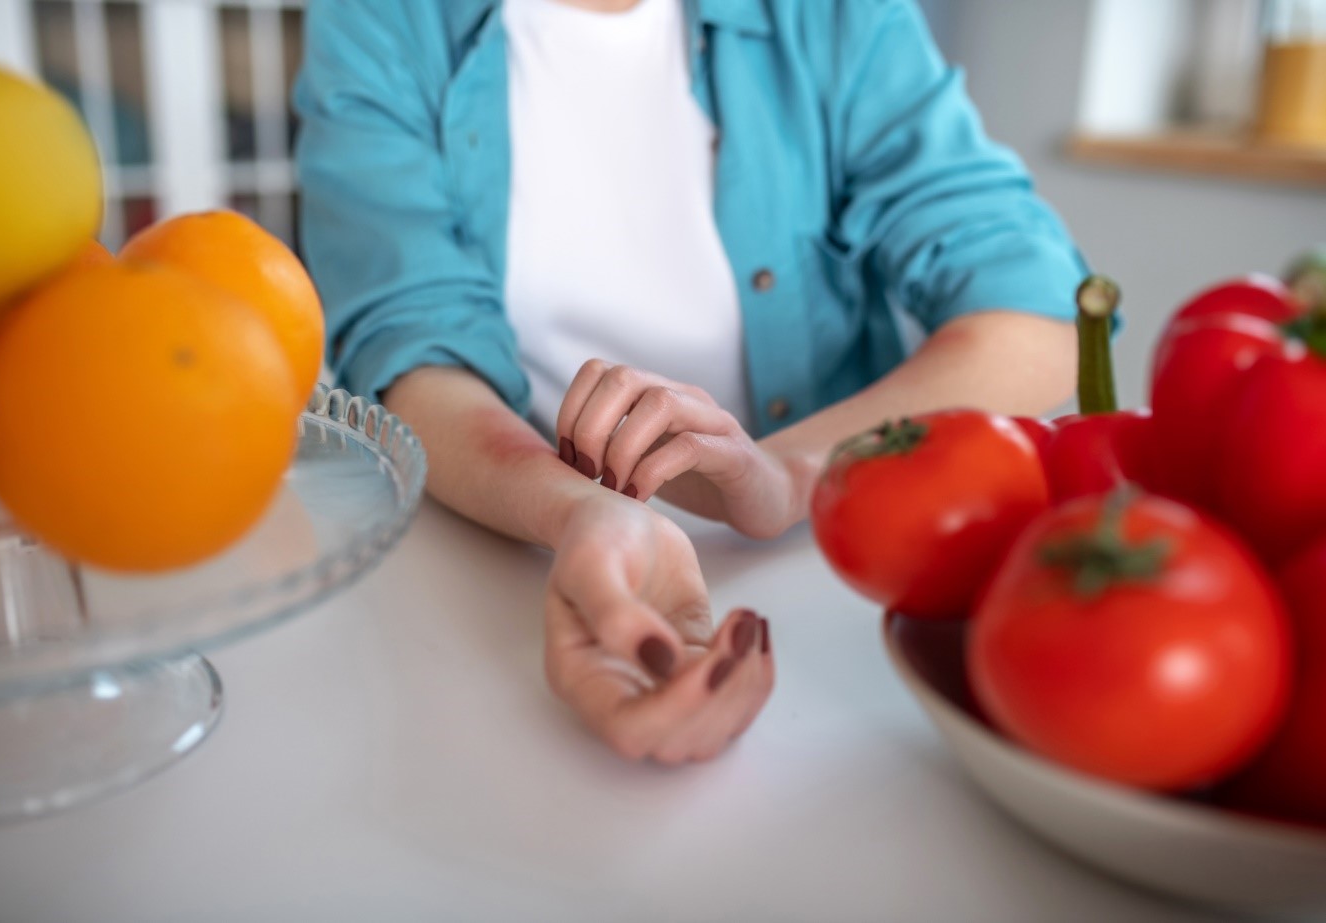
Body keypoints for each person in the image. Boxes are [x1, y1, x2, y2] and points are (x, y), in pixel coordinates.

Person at [294, 0, 1084, 764]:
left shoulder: (837, 15)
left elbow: (1039, 318)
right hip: (510, 543)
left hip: (825, 562)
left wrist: (790, 471)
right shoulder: (380, 16)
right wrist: (581, 515)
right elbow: (411, 341)